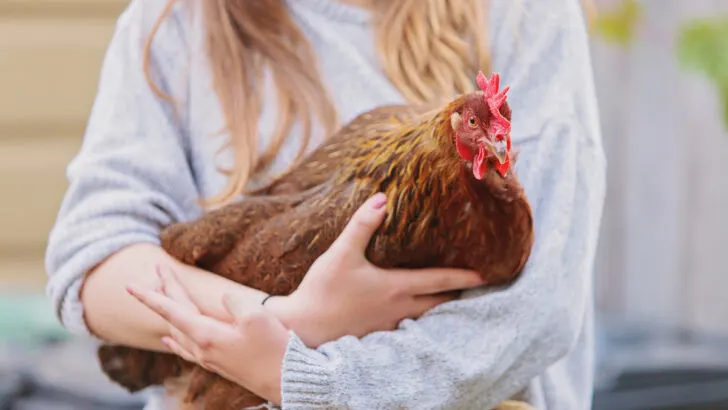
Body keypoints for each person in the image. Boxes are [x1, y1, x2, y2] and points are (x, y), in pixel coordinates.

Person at [45, 0, 606, 408]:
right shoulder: (176, 22)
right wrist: (291, 322)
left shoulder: (522, 15)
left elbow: (541, 307)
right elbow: (93, 261)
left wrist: (314, 379)